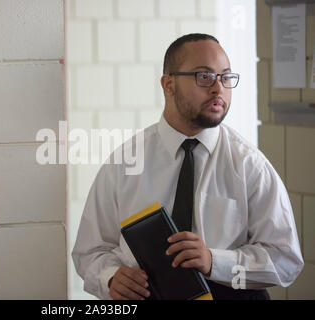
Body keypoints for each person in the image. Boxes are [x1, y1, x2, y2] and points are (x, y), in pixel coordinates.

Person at [71, 33, 304, 300]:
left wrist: (214, 262)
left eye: (226, 77)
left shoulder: (250, 165)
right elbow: (89, 252)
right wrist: (110, 277)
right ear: (168, 84)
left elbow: (285, 261)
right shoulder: (124, 163)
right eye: (204, 76)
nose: (218, 89)